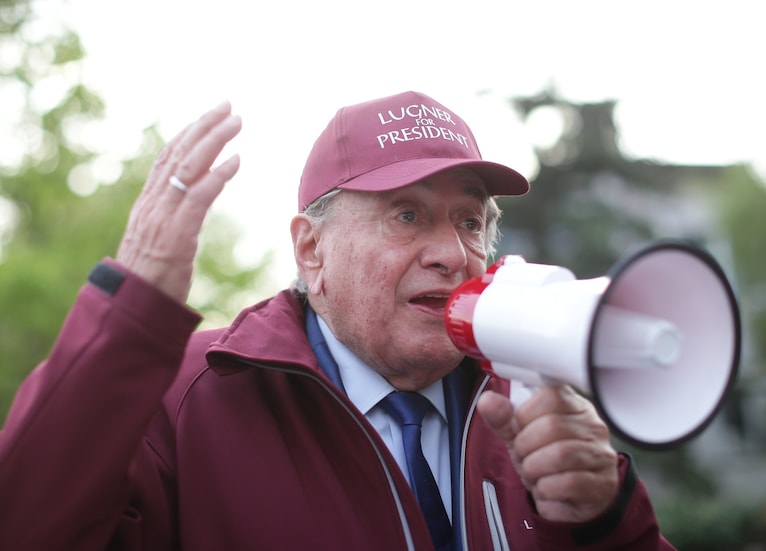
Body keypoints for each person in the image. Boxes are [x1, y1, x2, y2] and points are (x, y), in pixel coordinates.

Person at [0, 91, 676, 550]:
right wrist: (129, 316)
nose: (451, 253)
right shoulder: (182, 400)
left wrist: (609, 517)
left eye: (470, 220)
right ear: (311, 250)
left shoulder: (532, 410)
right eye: (407, 214)